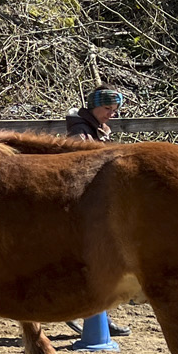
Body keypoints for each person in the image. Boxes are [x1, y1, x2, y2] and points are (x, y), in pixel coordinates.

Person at [64, 87, 131, 336]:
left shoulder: (94, 129)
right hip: (81, 203)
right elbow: (84, 166)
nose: (111, 114)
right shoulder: (80, 133)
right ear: (93, 106)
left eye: (115, 110)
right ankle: (85, 314)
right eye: (107, 109)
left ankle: (99, 316)